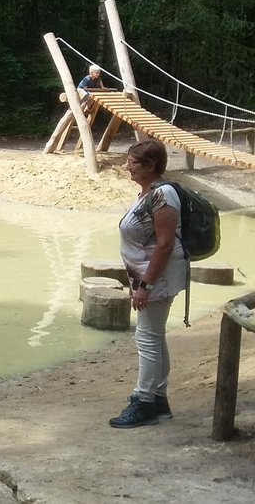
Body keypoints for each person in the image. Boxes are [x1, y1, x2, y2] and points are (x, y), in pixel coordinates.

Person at [109, 140, 188, 428]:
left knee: (147, 338)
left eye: (133, 162)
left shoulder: (163, 195)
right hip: (148, 275)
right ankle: (159, 400)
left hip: (156, 277)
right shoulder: (148, 193)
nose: (126, 166)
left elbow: (165, 245)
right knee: (154, 335)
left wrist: (146, 286)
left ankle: (143, 402)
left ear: (151, 165)